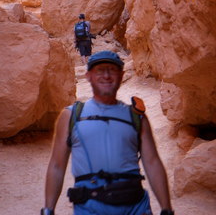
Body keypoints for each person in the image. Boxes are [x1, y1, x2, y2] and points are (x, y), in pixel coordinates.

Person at [41, 51, 174, 215]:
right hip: (90, 206)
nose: (106, 75)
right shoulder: (71, 116)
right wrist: (48, 210)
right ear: (88, 76)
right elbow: (56, 165)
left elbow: (152, 163)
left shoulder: (136, 117)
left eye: (112, 70)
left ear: (121, 75)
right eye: (100, 70)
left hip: (134, 206)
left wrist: (166, 209)